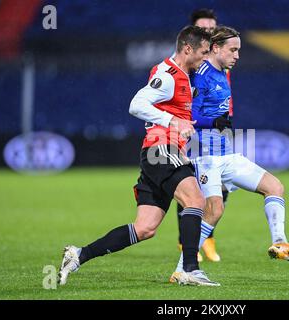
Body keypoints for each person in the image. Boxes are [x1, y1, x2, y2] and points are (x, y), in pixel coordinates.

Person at [58, 26, 220, 287]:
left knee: (145, 228)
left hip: (161, 153)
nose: (204, 58)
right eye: (202, 52)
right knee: (196, 200)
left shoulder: (185, 77)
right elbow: (136, 105)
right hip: (161, 150)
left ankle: (78, 255)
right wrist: (173, 121)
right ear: (187, 49)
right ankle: (190, 269)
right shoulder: (168, 74)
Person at [170, 26, 289, 284]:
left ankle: (279, 242)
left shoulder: (223, 73)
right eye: (233, 49)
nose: (237, 55)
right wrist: (215, 121)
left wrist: (219, 123)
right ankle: (183, 268)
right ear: (215, 48)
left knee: (274, 186)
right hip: (204, 154)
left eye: (239, 50)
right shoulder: (200, 75)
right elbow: (187, 116)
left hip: (226, 153)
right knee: (214, 209)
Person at [175, 8, 229, 263]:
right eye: (204, 28)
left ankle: (206, 238)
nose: (209, 31)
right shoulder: (192, 62)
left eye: (212, 27)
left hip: (218, 128)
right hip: (194, 129)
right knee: (189, 186)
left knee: (223, 186)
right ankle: (186, 242)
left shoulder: (222, 60)